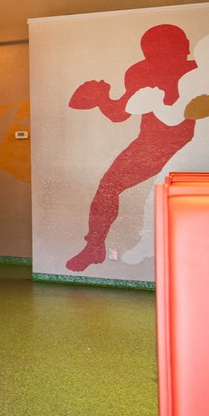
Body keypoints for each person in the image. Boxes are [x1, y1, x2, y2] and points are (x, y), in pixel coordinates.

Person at [65, 24, 198, 272]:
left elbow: (120, 113)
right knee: (108, 187)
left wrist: (101, 97)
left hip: (187, 144)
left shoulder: (195, 71)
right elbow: (120, 113)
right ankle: (94, 246)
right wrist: (102, 97)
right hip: (153, 144)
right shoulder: (142, 72)